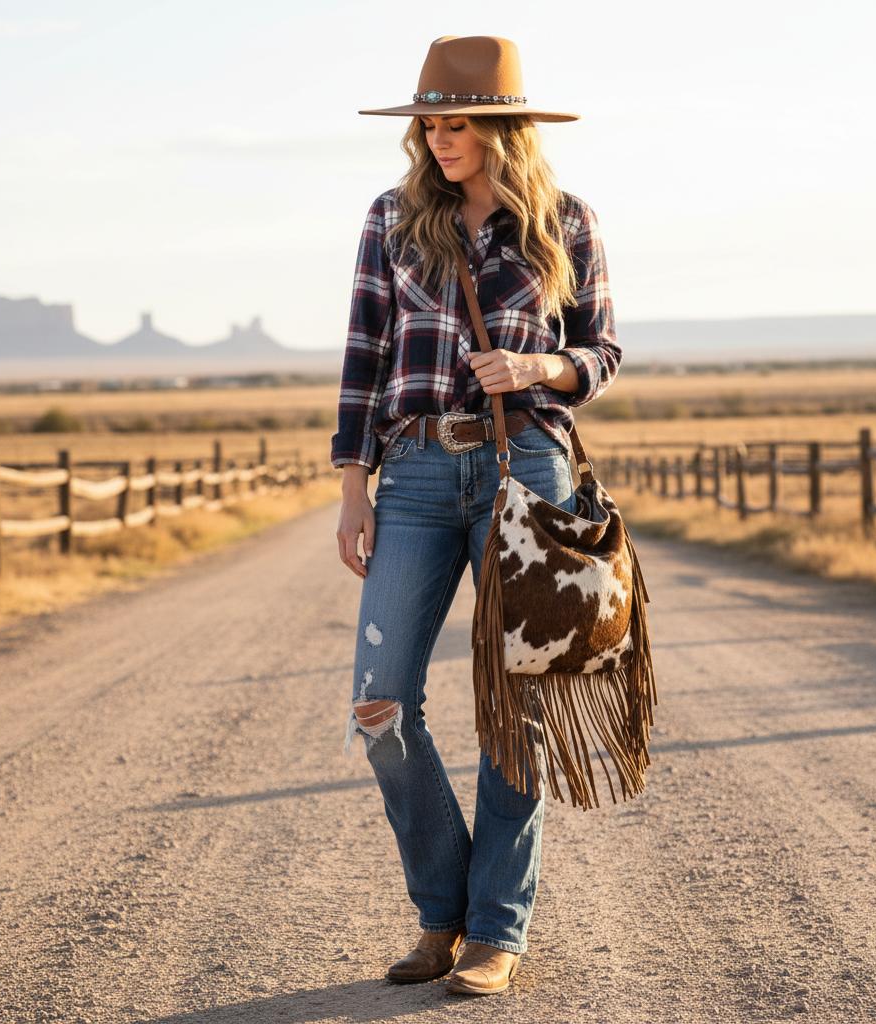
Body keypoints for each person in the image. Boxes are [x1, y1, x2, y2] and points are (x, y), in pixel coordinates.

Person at [331, 35, 622, 996]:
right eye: (430, 122)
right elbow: (364, 354)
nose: (439, 138)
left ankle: (495, 932)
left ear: (504, 128)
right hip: (412, 472)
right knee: (379, 705)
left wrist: (542, 368)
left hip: (527, 469)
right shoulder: (391, 220)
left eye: (458, 123)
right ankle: (443, 909)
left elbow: (603, 352)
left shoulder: (565, 222)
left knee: (519, 708)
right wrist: (351, 485)